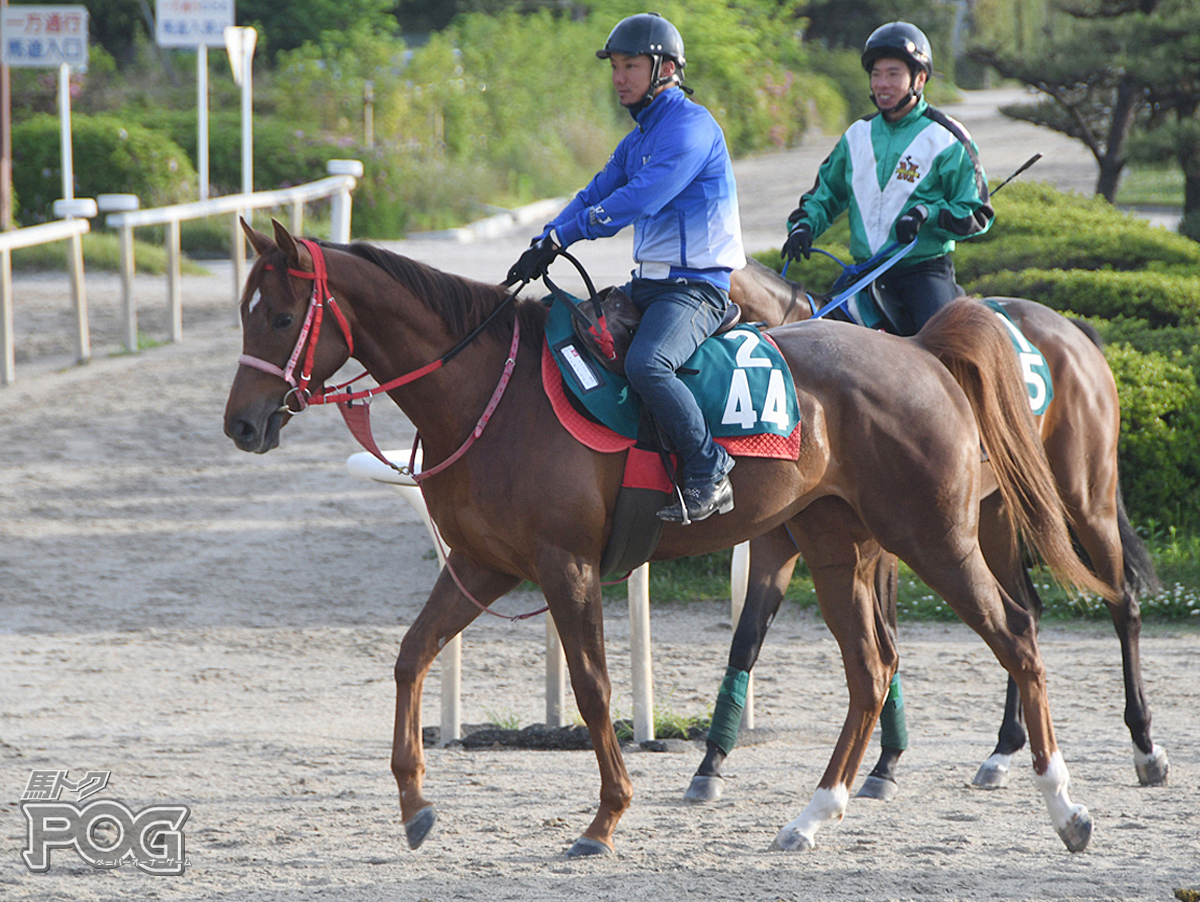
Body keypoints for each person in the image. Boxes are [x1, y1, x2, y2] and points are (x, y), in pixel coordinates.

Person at [507, 12, 746, 524]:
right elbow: (595, 192)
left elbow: (637, 198)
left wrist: (565, 235)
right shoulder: (639, 137)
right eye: (615, 66)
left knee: (646, 365)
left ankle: (710, 467)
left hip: (696, 291)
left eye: (631, 65)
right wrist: (543, 240)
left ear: (665, 68)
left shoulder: (691, 128)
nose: (619, 78)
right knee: (558, 323)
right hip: (648, 286)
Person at [782, 21, 994, 336]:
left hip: (923, 275)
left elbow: (977, 212)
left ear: (919, 79)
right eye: (876, 74)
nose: (882, 84)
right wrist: (804, 226)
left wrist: (927, 213)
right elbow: (826, 195)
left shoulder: (948, 139)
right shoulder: (857, 135)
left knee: (945, 351)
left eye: (893, 74)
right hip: (863, 276)